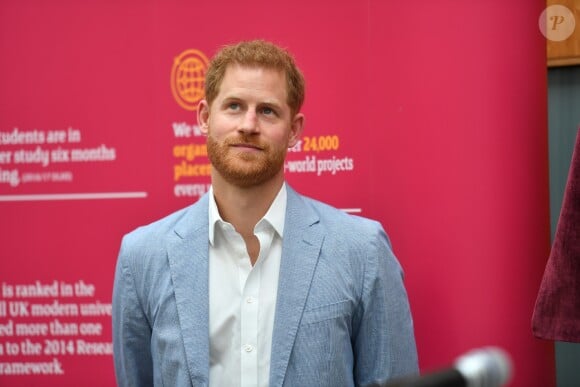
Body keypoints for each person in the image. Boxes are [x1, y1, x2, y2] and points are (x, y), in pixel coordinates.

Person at [112, 39, 418, 387]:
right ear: (204, 118)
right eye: (234, 106)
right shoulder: (143, 257)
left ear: (294, 130)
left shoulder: (361, 250)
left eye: (268, 111)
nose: (249, 124)